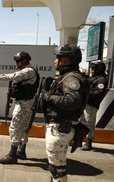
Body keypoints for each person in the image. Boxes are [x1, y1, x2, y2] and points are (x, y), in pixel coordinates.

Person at [38, 44, 90, 181]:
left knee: (58, 170)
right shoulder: (66, 77)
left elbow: (72, 102)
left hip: (61, 128)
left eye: (57, 57)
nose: (55, 60)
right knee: (54, 168)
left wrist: (46, 97)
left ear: (66, 60)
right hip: (58, 127)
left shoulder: (71, 78)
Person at [0, 51, 39, 164]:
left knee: (15, 127)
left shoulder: (28, 71)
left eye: (17, 61)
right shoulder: (29, 70)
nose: (16, 63)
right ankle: (21, 151)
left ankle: (12, 155)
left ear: (23, 61)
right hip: (26, 103)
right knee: (23, 128)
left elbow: (14, 76)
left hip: (24, 104)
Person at [81, 62, 108, 151]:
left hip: (92, 104)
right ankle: (79, 140)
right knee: (83, 122)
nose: (92, 70)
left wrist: (86, 93)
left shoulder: (101, 80)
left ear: (98, 69)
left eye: (93, 68)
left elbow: (98, 92)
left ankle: (89, 142)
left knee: (89, 123)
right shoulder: (93, 78)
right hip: (86, 103)